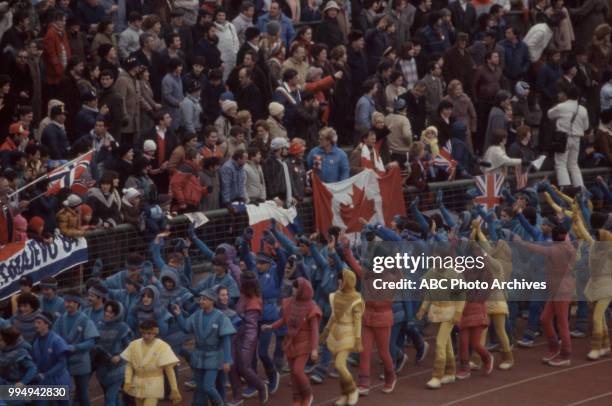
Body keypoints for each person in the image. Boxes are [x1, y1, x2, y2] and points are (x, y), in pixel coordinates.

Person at [513, 226, 576, 366]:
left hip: (561, 290)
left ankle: (566, 355)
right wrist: (561, 223)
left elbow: (537, 249)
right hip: (558, 289)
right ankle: (554, 348)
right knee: (545, 318)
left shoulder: (554, 250)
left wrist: (520, 242)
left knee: (562, 323)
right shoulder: (568, 246)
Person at [262, 277, 322, 406]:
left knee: (297, 371)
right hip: (290, 342)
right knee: (292, 374)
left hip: (304, 343)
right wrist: (271, 326)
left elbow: (315, 330)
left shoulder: (312, 307)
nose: (294, 289)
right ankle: (296, 399)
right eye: (294, 287)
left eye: (296, 287)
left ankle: (307, 395)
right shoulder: (289, 302)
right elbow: (284, 320)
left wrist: (314, 349)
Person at [172, 288, 235, 405]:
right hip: (199, 356)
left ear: (212, 301)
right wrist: (179, 315)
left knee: (208, 387)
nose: (201, 301)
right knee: (200, 388)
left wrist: (227, 360)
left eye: (204, 299)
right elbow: (186, 328)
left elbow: (226, 340)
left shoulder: (221, 317)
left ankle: (220, 404)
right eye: (200, 299)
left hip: (214, 357)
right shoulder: (196, 315)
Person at [320, 269, 363, 406]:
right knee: (340, 366)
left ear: (348, 282)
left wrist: (357, 338)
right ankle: (344, 394)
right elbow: (333, 316)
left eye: (342, 279)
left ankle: (352, 389)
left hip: (348, 334)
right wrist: (326, 331)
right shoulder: (336, 296)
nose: (339, 281)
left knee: (339, 364)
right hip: (335, 333)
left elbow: (358, 321)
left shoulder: (356, 299)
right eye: (339, 279)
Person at [121, 319, 182, 405]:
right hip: (137, 384)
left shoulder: (162, 346)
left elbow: (169, 370)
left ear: (155, 333)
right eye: (143, 333)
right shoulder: (134, 345)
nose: (145, 336)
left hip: (154, 384)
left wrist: (174, 389)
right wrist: (127, 381)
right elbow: (129, 365)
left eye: (149, 333)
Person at [54, 291, 99, 406]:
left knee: (82, 393)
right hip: (64, 362)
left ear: (77, 303)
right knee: (63, 393)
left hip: (81, 362)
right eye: (66, 302)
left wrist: (74, 347)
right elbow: (54, 338)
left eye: (70, 302)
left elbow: (91, 342)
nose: (67, 304)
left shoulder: (85, 320)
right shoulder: (60, 320)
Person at [547, 85, 589, 189]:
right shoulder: (583, 109)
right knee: (573, 164)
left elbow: (549, 115)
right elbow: (586, 126)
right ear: (578, 96)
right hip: (577, 139)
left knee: (561, 163)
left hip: (563, 138)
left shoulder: (561, 107)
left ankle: (565, 189)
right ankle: (580, 189)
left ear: (566, 95)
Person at [93, 300, 132, 406]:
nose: (107, 314)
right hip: (102, 367)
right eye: (106, 311)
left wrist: (119, 356)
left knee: (110, 397)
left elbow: (130, 347)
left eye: (111, 312)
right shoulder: (99, 325)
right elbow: (94, 342)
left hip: (118, 368)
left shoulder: (123, 327)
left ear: (117, 314)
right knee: (112, 398)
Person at [32, 311, 72, 403]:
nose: (36, 325)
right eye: (35, 322)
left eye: (39, 322)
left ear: (47, 324)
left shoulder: (56, 340)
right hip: (45, 382)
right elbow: (36, 362)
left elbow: (62, 363)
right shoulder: (36, 343)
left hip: (59, 380)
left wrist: (46, 374)